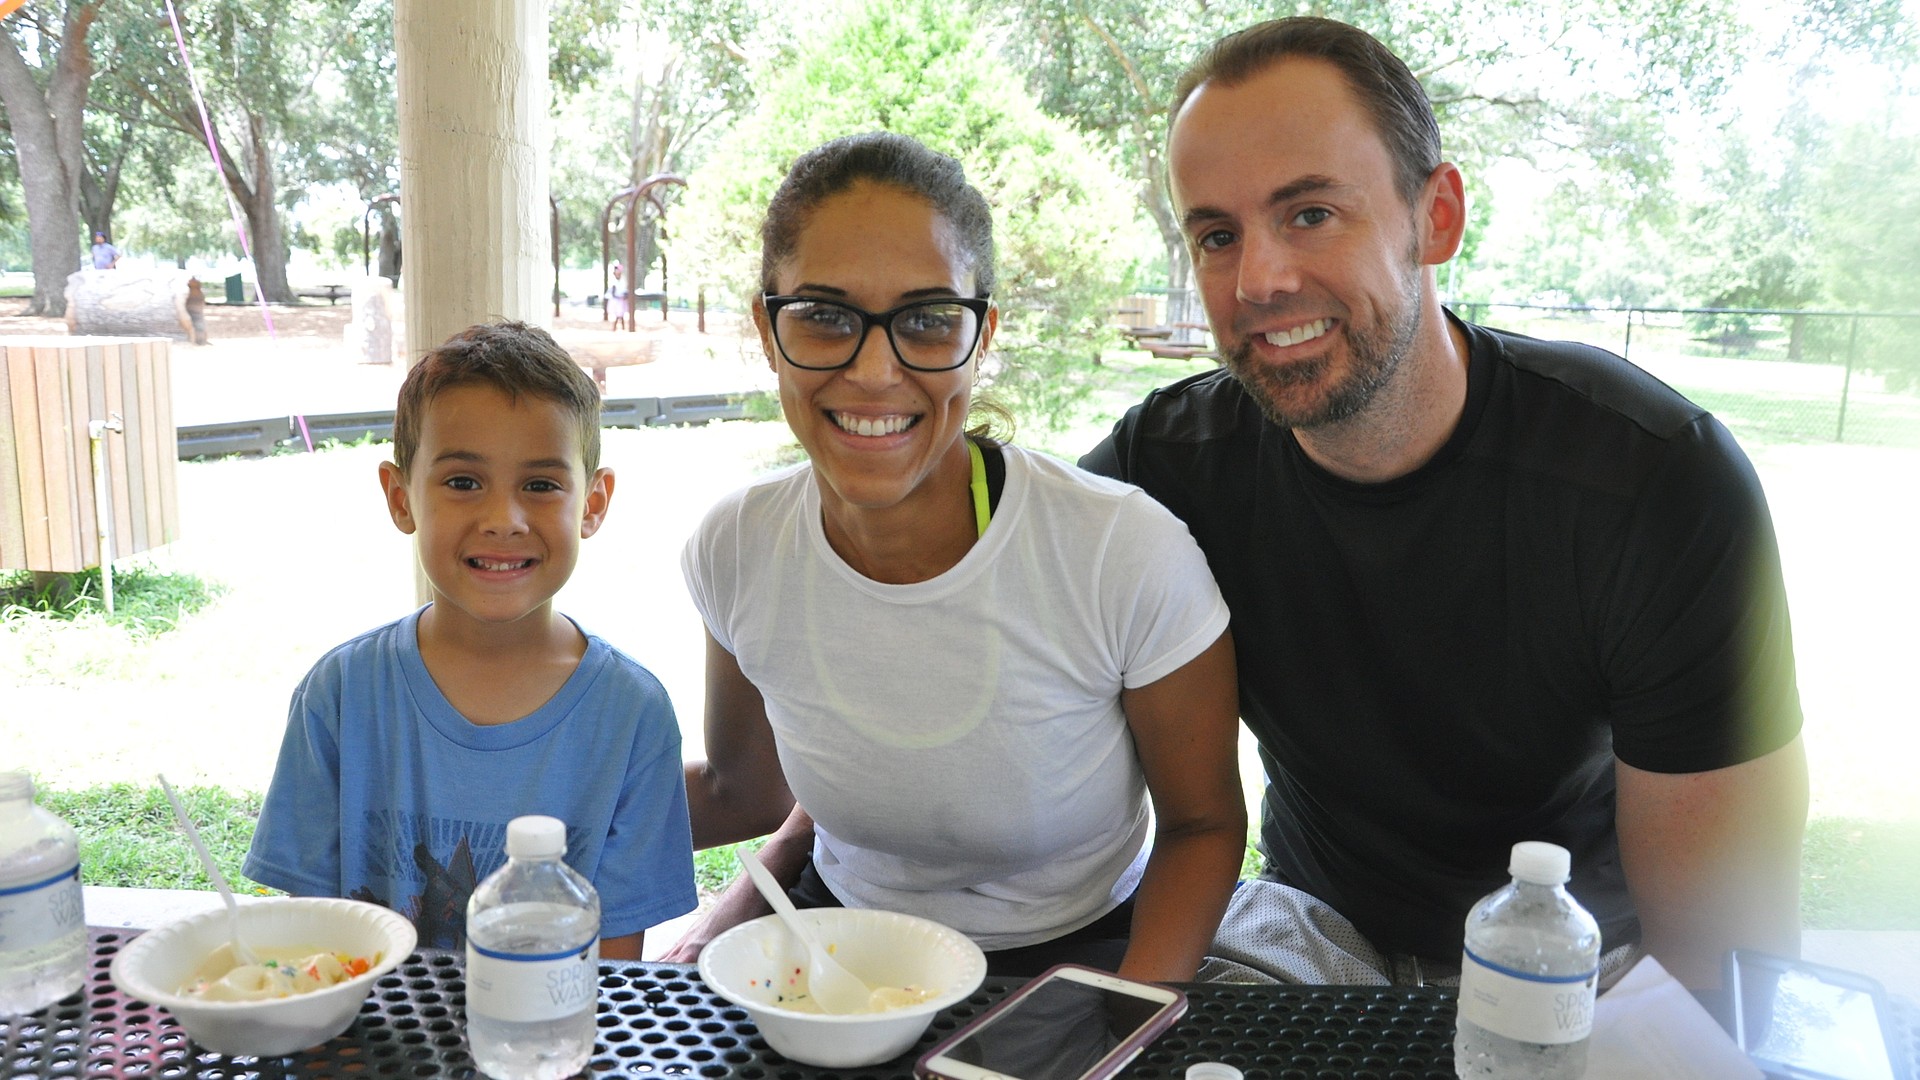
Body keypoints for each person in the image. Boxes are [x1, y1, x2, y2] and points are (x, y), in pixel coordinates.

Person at [1081, 16, 1808, 991]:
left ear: (1438, 217)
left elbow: (1725, 958)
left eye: (1310, 213)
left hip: (1586, 959)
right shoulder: (1165, 467)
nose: (1259, 279)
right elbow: (966, 592)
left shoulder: (1655, 481)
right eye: (1217, 235)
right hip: (1309, 939)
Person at [673, 131, 1245, 982]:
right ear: (766, 327)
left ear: (981, 338)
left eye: (928, 321)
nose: (874, 371)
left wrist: (1118, 1021)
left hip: (1083, 954)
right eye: (825, 317)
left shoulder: (1120, 551)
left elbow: (1203, 827)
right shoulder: (737, 546)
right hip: (838, 949)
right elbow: (743, 792)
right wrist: (511, 815)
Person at [244, 321, 697, 957]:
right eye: (463, 482)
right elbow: (310, 944)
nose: (503, 520)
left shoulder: (632, 715)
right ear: (400, 498)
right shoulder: (341, 694)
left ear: (593, 503)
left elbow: (615, 976)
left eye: (540, 486)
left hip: (545, 1050)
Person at [606, 261, 630, 331]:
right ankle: (614, 329)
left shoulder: (622, 282)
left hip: (621, 301)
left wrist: (625, 296)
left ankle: (623, 328)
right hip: (616, 301)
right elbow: (613, 293)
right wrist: (619, 297)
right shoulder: (613, 282)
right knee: (617, 315)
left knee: (621, 315)